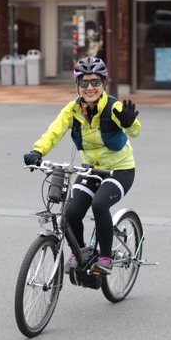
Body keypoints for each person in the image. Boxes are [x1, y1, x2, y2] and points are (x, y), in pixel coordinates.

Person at [23, 57, 140, 275]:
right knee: (70, 213)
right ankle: (81, 251)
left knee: (99, 204)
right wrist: (38, 151)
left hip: (119, 170)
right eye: (84, 82)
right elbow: (54, 131)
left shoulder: (113, 106)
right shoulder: (72, 110)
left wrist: (129, 121)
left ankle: (105, 256)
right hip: (90, 170)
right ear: (77, 85)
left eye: (95, 82)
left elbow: (135, 131)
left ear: (104, 83)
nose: (90, 87)